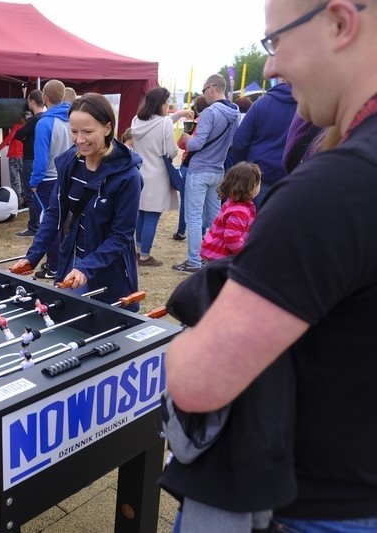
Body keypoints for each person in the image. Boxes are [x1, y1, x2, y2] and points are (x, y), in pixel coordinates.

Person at [165, 0, 377, 529]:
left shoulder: (335, 189)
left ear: (340, 23)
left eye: (275, 40)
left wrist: (185, 342)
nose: (271, 67)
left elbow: (197, 381)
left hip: (312, 505)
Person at [11, 93, 142, 310]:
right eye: (74, 131)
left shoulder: (128, 177)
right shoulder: (69, 163)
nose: (80, 140)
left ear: (108, 128)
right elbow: (55, 213)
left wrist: (87, 267)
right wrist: (33, 256)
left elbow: (121, 236)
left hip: (107, 270)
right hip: (71, 261)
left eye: (88, 132)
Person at [172, 74, 240, 274]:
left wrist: (186, 137)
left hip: (200, 169)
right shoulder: (234, 112)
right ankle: (218, 257)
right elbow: (233, 143)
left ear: (211, 88)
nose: (204, 94)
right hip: (218, 169)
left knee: (194, 217)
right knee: (215, 217)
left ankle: (194, 260)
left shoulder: (210, 112)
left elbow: (197, 143)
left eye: (203, 90)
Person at [130, 87, 190, 267]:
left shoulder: (136, 120)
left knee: (141, 213)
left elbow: (156, 125)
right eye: (166, 103)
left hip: (139, 173)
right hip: (157, 175)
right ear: (160, 104)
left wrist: (177, 115)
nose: (167, 106)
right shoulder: (163, 124)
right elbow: (171, 151)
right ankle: (145, 256)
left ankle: (137, 250)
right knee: (152, 216)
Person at [29, 80, 72, 279]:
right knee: (65, 223)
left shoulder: (45, 123)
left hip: (48, 180)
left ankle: (54, 266)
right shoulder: (72, 119)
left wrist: (34, 182)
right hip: (70, 178)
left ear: (45, 98)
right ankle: (61, 264)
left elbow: (41, 158)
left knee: (49, 224)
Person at [231, 80, 297, 208]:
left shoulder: (261, 104)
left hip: (259, 178)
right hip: (291, 181)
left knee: (252, 224)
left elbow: (240, 142)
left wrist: (245, 169)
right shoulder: (309, 108)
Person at [199, 162, 260, 262]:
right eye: (258, 184)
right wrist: (245, 255)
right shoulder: (240, 211)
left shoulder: (233, 203)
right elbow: (232, 238)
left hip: (218, 254)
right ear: (252, 186)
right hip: (222, 258)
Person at [174, 96, 210, 241]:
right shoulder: (213, 122)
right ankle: (201, 233)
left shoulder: (195, 124)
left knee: (186, 201)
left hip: (189, 165)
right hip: (207, 166)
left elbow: (182, 145)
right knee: (202, 203)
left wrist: (186, 137)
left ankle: (182, 230)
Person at [13, 89, 45, 236]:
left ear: (32, 101)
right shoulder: (46, 118)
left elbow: (18, 135)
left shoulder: (35, 120)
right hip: (42, 160)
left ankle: (33, 226)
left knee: (30, 193)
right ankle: (40, 223)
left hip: (30, 160)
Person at [0, 113, 25, 204]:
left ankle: (18, 200)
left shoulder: (16, 127)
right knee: (23, 178)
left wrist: (0, 147)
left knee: (15, 179)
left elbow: (9, 137)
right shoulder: (28, 128)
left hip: (13, 156)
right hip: (23, 157)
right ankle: (26, 199)